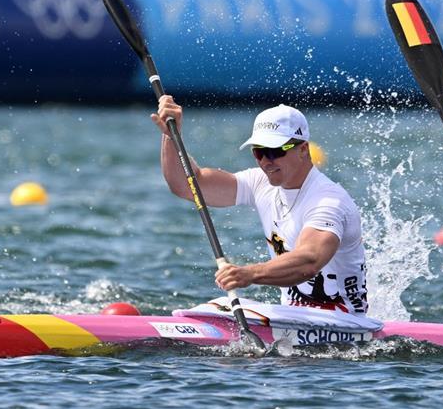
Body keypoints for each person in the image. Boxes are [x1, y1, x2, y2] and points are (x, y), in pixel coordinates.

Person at [153, 97, 368, 315]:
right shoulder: (260, 182)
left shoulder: (329, 200)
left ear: (303, 149)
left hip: (346, 321)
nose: (266, 161)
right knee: (215, 306)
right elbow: (188, 186)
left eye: (275, 151)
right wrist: (171, 136)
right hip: (296, 318)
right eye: (259, 151)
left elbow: (309, 261)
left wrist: (249, 274)